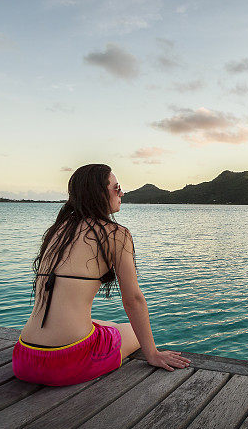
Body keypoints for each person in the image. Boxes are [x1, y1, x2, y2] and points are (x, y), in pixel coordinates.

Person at [12, 163, 190, 386]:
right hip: (65, 362)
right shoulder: (115, 234)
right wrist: (152, 354)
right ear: (99, 193)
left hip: (24, 357)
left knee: (103, 324)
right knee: (133, 333)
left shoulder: (58, 231)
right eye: (117, 188)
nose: (121, 193)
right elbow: (133, 300)